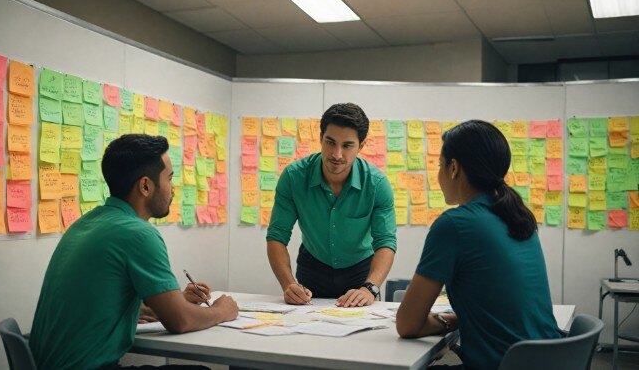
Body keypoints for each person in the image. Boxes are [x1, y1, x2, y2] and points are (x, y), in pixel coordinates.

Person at [29, 134, 238, 370]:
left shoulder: (87, 223)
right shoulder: (138, 234)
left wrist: (172, 302)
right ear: (146, 186)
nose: (172, 188)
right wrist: (222, 311)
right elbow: (180, 321)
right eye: (169, 179)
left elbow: (100, 302)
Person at [396, 120, 561, 370]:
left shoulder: (454, 224)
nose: (439, 175)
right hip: (550, 361)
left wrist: (448, 321)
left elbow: (407, 325)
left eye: (440, 165)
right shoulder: (518, 215)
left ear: (453, 168)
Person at [266, 103, 397, 307]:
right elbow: (276, 236)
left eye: (347, 146)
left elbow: (386, 242)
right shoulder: (293, 178)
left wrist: (371, 287)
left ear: (361, 146)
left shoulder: (377, 185)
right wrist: (288, 284)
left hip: (361, 272)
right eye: (330, 142)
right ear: (320, 138)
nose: (336, 154)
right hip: (312, 268)